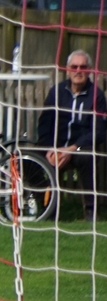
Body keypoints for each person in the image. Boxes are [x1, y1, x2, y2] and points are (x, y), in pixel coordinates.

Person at [37, 49, 106, 221]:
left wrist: (73, 148)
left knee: (87, 157)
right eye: (74, 67)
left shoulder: (97, 96)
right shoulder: (57, 92)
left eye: (83, 67)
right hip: (55, 147)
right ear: (67, 69)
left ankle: (90, 211)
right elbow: (44, 123)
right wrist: (50, 148)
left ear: (89, 70)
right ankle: (41, 206)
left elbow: (98, 131)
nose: (78, 71)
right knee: (29, 158)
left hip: (79, 148)